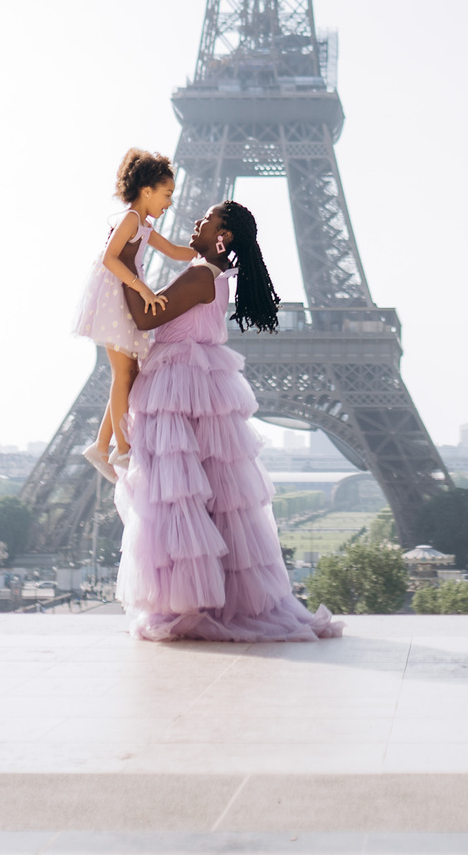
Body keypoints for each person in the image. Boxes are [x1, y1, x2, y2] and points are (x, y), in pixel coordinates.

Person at [116, 200, 343, 643]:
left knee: (179, 498)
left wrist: (124, 262)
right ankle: (213, 601)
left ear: (225, 237)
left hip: (178, 389)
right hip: (198, 386)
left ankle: (192, 602)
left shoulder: (202, 274)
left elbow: (146, 316)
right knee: (213, 501)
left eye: (208, 218)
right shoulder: (216, 277)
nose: (197, 222)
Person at [70, 148, 198, 482]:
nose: (170, 202)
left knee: (128, 373)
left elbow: (173, 251)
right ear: (147, 191)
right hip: (116, 297)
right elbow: (109, 259)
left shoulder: (143, 224)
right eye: (167, 194)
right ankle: (121, 447)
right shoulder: (129, 220)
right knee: (122, 374)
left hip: (125, 297)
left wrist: (208, 251)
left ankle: (103, 446)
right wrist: (142, 288)